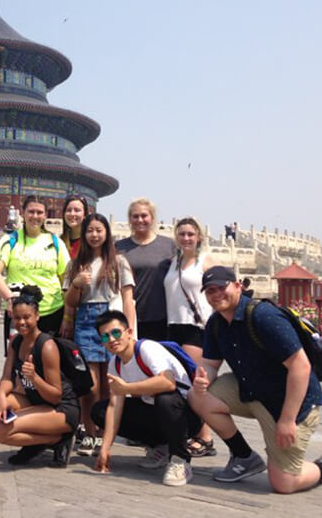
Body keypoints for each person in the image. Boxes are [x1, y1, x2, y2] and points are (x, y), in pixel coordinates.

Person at [189, 266, 322, 493]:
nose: (216, 294)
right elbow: (210, 364)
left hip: (288, 403)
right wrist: (203, 380)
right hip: (252, 391)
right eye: (210, 291)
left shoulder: (263, 316)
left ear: (238, 286)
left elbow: (300, 367)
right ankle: (244, 456)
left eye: (221, 287)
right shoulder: (216, 323)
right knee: (197, 396)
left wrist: (287, 420)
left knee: (284, 483)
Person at [92, 310, 200, 486]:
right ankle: (160, 447)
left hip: (186, 416)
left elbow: (168, 383)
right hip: (157, 413)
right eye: (105, 336)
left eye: (116, 333)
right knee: (100, 411)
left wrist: (126, 388)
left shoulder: (146, 348)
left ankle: (180, 460)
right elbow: (114, 406)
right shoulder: (115, 364)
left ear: (129, 332)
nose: (111, 339)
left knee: (165, 399)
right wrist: (105, 448)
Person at [0, 286, 79, 467]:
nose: (22, 322)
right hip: (35, 402)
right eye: (17, 318)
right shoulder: (16, 342)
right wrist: (1, 396)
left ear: (37, 316)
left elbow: (56, 396)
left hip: (60, 409)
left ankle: (58, 439)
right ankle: (34, 439)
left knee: (0, 431)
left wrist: (34, 378)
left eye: (27, 317)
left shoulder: (47, 346)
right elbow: (7, 377)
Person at [61, 213, 135, 456]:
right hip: (86, 321)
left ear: (107, 233)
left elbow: (127, 298)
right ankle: (89, 432)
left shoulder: (119, 262)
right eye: (90, 230)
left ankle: (106, 433)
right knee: (90, 384)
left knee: (110, 382)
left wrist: (129, 330)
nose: (94, 235)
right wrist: (76, 284)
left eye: (99, 230)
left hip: (112, 321)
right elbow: (70, 302)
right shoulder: (76, 264)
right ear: (83, 234)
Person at [163, 217, 217, 457]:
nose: (186, 238)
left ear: (199, 237)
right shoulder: (173, 262)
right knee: (181, 383)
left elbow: (221, 290)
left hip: (197, 327)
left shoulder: (206, 261)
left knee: (196, 382)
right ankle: (189, 432)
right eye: (182, 234)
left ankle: (205, 436)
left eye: (190, 234)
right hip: (174, 325)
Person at [0, 195, 70, 349]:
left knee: (49, 359)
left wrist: (67, 316)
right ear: (23, 213)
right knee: (18, 359)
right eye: (31, 212)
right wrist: (9, 298)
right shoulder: (10, 240)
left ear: (45, 215)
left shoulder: (55, 242)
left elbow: (65, 279)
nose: (35, 216)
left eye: (40, 212)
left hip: (52, 312)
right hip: (20, 314)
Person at [115, 198, 176, 341]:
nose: (140, 220)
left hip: (161, 318)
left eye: (144, 216)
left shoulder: (169, 246)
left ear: (152, 218)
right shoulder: (119, 247)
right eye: (135, 216)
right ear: (130, 219)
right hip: (130, 318)